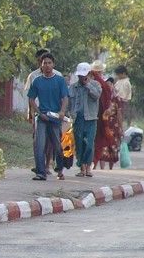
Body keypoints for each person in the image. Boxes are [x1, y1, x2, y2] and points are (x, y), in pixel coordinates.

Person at [27, 53, 69, 181]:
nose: (47, 65)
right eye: (44, 63)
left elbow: (65, 98)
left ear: (53, 64)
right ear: (41, 65)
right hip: (42, 117)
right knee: (39, 144)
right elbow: (31, 99)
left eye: (49, 63)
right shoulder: (37, 81)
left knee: (57, 145)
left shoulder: (60, 80)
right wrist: (39, 113)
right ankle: (40, 172)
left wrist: (62, 111)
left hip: (55, 117)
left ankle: (60, 169)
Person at [68, 62, 102, 177]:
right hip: (78, 119)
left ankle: (88, 167)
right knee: (79, 143)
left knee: (89, 144)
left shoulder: (95, 85)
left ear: (89, 74)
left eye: (84, 75)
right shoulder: (73, 87)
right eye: (80, 75)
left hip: (91, 118)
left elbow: (97, 95)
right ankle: (82, 167)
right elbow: (69, 103)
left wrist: (88, 85)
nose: (82, 77)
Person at [89, 60, 115, 169]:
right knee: (98, 141)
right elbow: (107, 102)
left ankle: (90, 164)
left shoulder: (90, 82)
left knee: (92, 140)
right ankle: (92, 164)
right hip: (100, 117)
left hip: (91, 115)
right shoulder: (103, 84)